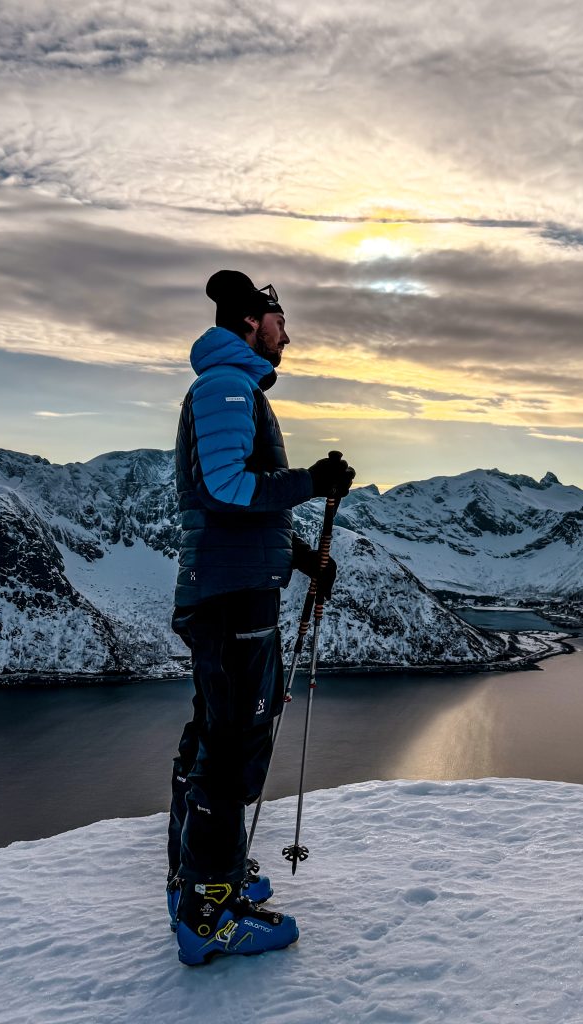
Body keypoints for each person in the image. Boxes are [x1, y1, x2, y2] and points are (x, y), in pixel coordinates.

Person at [167, 269, 355, 966]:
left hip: (232, 587)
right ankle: (209, 910)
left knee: (213, 736)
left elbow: (237, 502)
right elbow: (224, 486)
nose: (288, 334)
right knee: (232, 748)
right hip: (232, 598)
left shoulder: (232, 387)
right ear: (252, 320)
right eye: (280, 320)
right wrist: (311, 482)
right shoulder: (224, 386)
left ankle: (195, 877)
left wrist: (301, 556)